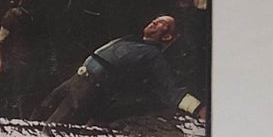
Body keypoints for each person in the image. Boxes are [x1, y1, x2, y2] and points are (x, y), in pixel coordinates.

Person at [37, 15, 204, 124]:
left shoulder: (154, 56)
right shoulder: (133, 41)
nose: (154, 22)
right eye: (156, 19)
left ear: (167, 36)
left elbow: (171, 90)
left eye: (162, 23)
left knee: (53, 126)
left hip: (88, 89)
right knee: (40, 112)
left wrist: (199, 109)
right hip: (76, 79)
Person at [0, 0, 45, 120]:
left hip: (35, 61)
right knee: (20, 96)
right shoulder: (12, 15)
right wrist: (1, 62)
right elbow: (1, 41)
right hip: (18, 62)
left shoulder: (35, 15)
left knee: (33, 95)